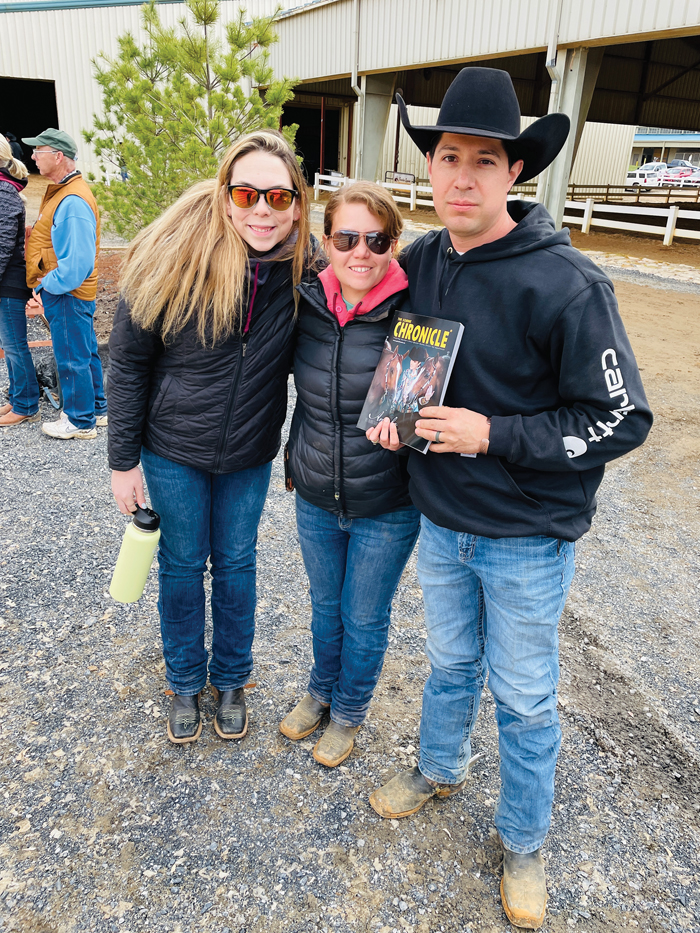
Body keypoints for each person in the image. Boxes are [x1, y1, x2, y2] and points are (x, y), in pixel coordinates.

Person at [366, 68, 653, 929]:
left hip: (527, 534)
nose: (461, 177)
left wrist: (493, 434)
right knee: (451, 663)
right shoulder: (422, 260)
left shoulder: (568, 285)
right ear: (430, 166)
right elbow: (392, 347)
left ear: (515, 172)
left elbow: (622, 417)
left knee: (525, 694)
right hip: (441, 520)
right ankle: (439, 767)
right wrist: (393, 416)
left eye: (483, 161)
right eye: (448, 157)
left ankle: (524, 840)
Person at [108, 130, 314, 745]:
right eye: (247, 194)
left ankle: (230, 679)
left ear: (297, 204)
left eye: (278, 197)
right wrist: (122, 461)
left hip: (249, 451)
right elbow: (128, 363)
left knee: (236, 564)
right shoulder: (175, 258)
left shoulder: (306, 270)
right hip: (173, 450)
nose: (262, 210)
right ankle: (184, 680)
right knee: (179, 564)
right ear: (225, 194)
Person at [280, 182, 420, 767]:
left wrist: (411, 430)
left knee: (363, 617)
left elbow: (425, 403)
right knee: (324, 606)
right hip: (315, 492)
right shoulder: (305, 304)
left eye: (376, 240)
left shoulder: (415, 315)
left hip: (386, 501)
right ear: (326, 241)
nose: (360, 252)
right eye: (346, 238)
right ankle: (320, 690)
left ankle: (349, 711)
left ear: (393, 244)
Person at [21, 128, 107, 439]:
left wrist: (47, 284)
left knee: (71, 357)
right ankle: (97, 410)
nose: (33, 156)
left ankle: (79, 421)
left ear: (58, 156)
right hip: (70, 292)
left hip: (68, 293)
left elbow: (76, 266)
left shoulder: (72, 200)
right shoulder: (67, 192)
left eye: (38, 151)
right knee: (84, 352)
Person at [0, 136, 42, 426]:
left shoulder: (3, 191)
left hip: (9, 282)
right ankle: (17, 397)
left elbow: (3, 244)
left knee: (15, 345)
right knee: (9, 344)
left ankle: (26, 405)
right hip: (6, 280)